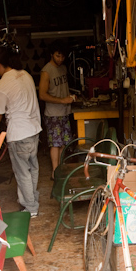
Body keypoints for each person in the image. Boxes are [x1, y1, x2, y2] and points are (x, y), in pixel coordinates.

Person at [0, 45, 41, 217]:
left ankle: (30, 208)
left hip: (18, 134)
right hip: (33, 131)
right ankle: (32, 200)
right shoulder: (26, 75)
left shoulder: (1, 86)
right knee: (33, 168)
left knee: (22, 173)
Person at [39, 48, 75, 178]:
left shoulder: (63, 68)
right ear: (51, 54)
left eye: (62, 57)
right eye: (57, 56)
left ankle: (61, 168)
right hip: (53, 113)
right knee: (55, 143)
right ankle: (55, 172)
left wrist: (69, 97)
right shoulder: (46, 71)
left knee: (64, 142)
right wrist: (62, 100)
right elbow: (42, 95)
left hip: (65, 111)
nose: (60, 59)